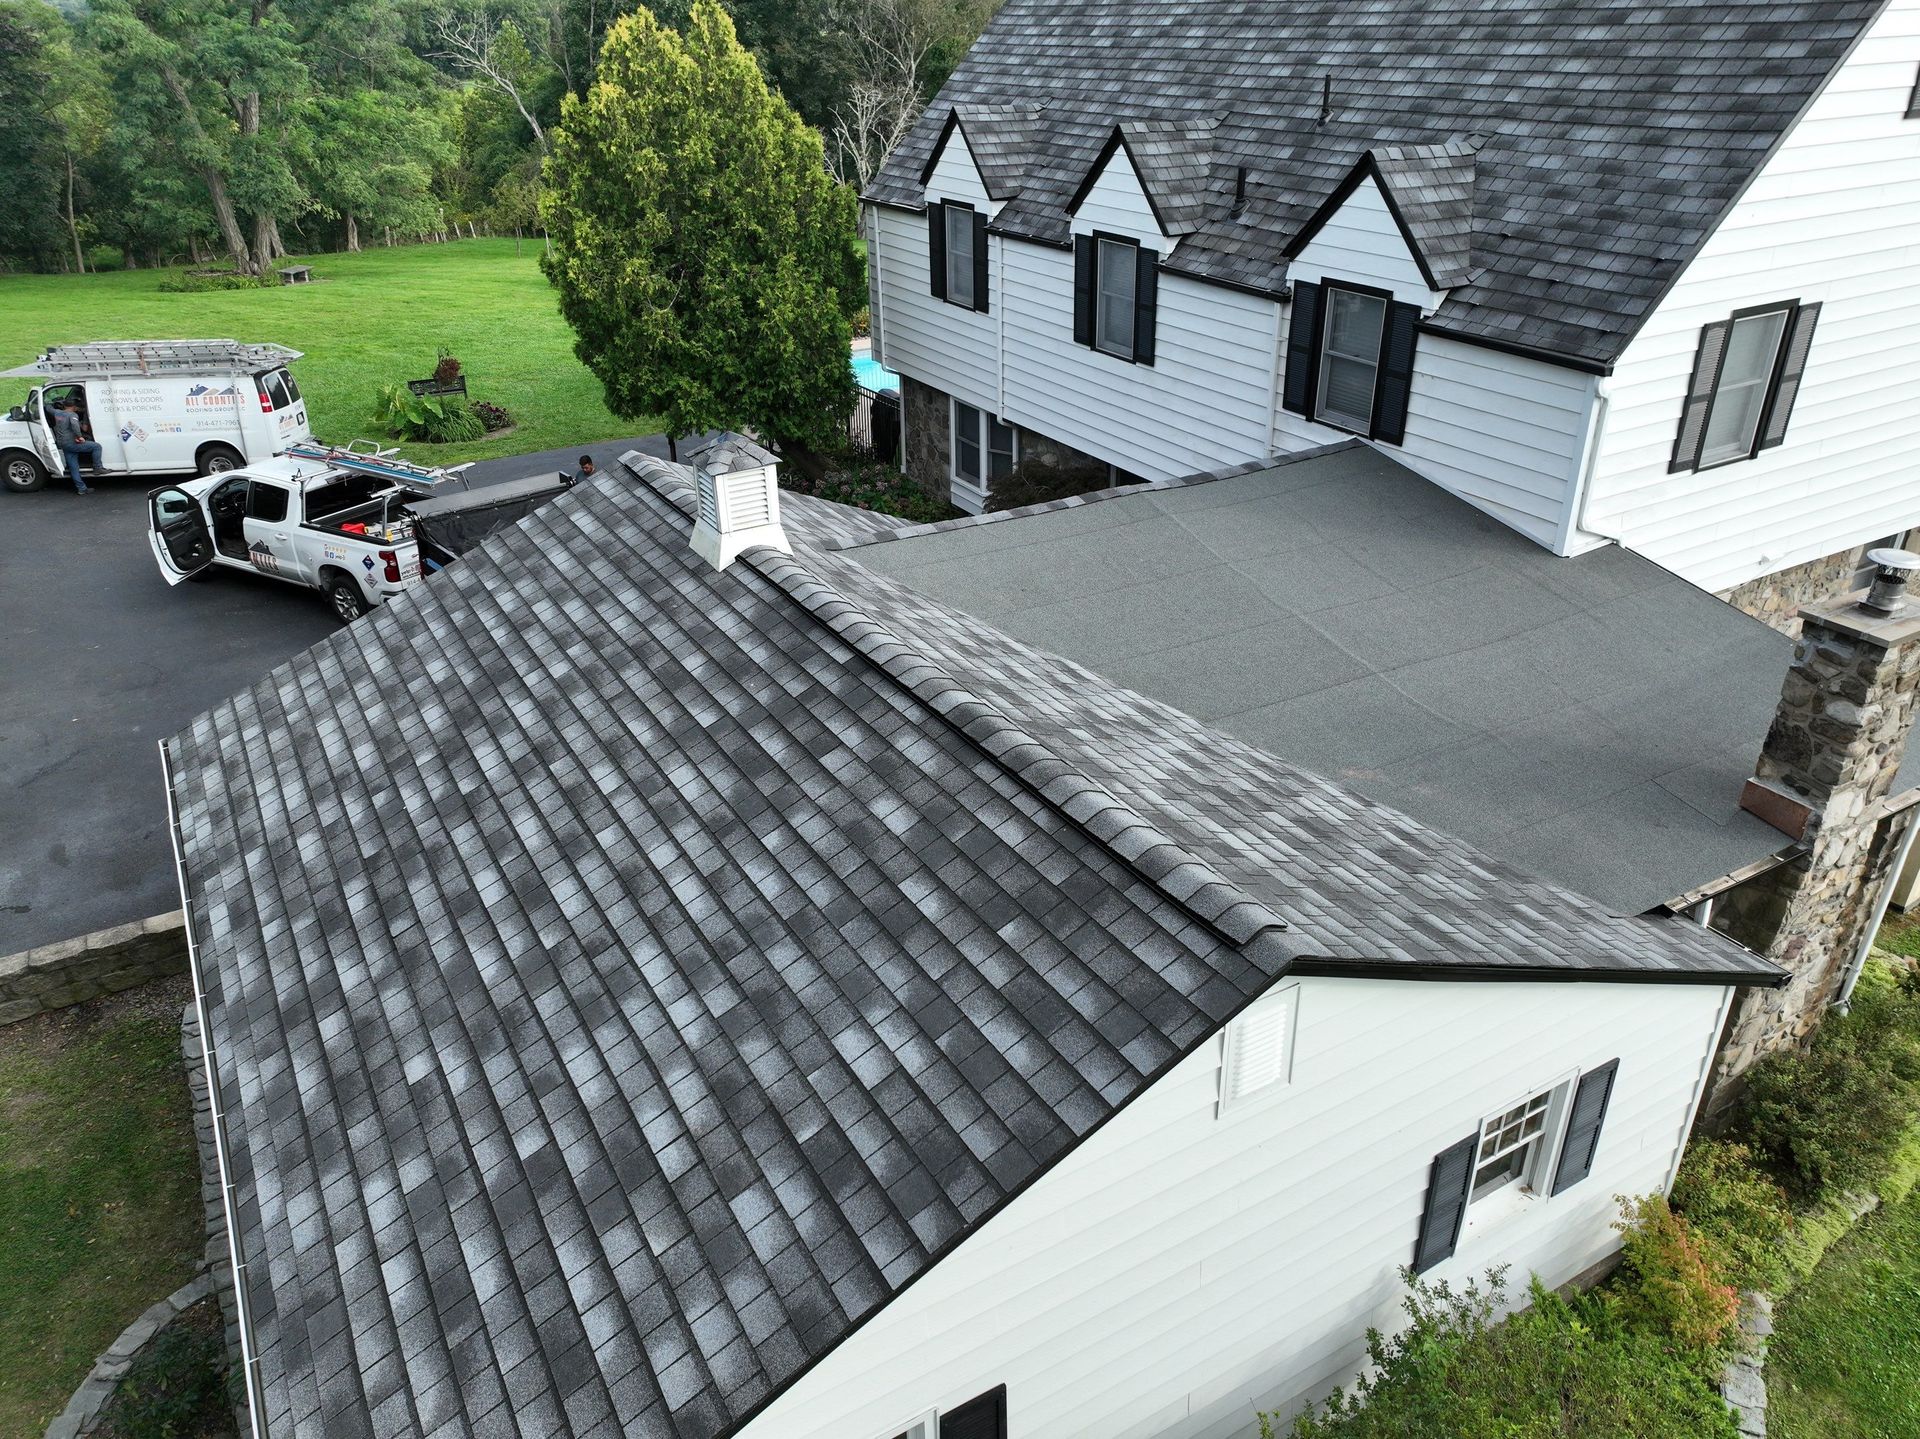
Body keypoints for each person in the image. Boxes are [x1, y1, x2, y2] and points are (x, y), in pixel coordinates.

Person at [51, 397, 102, 495]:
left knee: (73, 467)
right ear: (74, 407)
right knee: (96, 447)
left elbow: (48, 408)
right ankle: (97, 467)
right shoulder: (72, 415)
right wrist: (80, 436)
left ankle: (82, 489)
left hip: (62, 443)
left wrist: (53, 402)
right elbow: (75, 425)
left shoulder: (57, 413)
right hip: (71, 443)